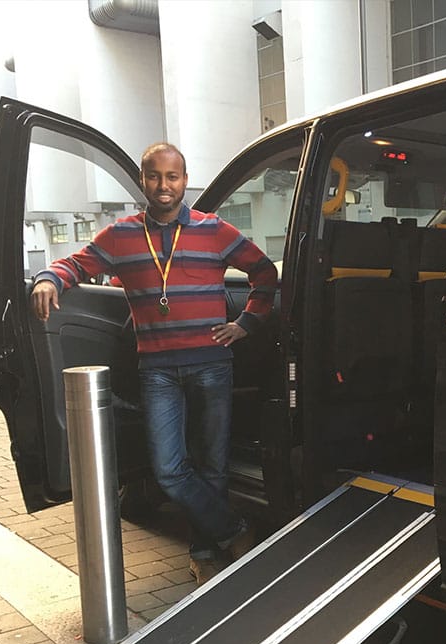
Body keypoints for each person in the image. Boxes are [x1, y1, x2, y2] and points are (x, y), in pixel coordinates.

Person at [31, 142, 277, 584]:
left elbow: (264, 272)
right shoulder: (122, 236)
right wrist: (49, 278)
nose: (164, 186)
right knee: (168, 470)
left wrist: (246, 324)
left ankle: (204, 550)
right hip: (158, 371)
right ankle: (235, 530)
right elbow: (75, 264)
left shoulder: (213, 229)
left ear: (184, 180)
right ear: (143, 180)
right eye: (154, 176)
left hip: (212, 364)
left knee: (213, 464)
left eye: (173, 176)